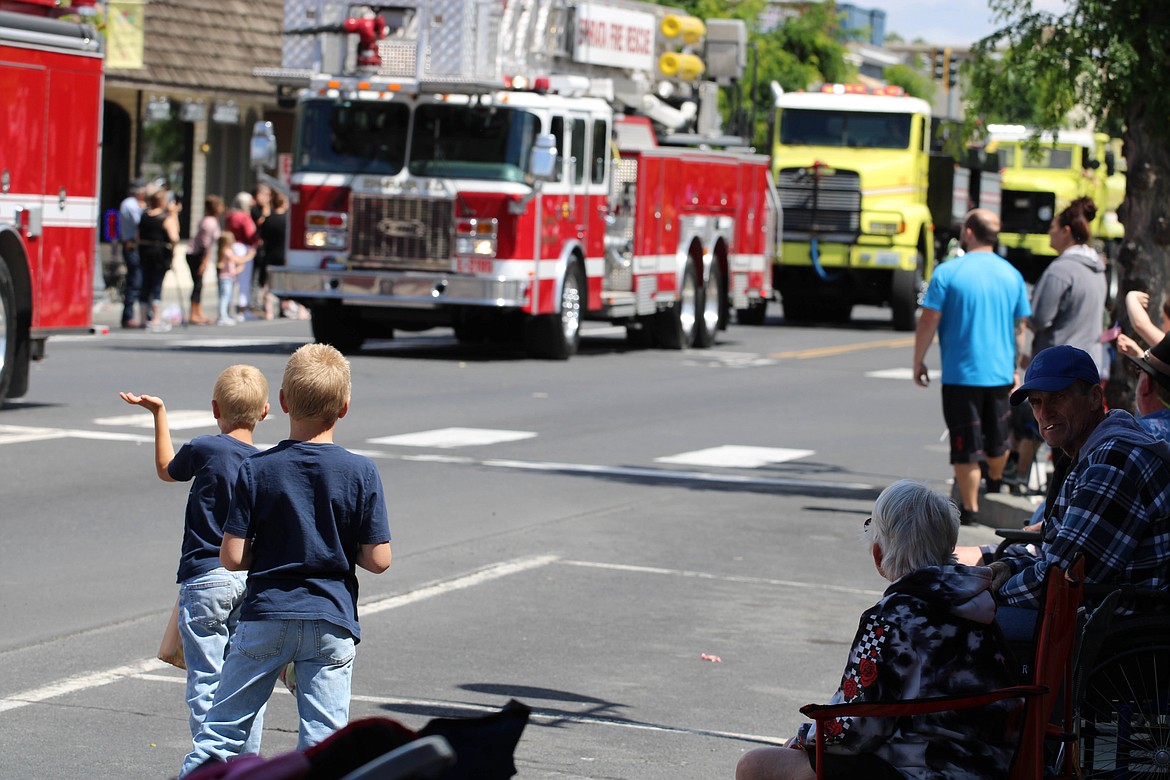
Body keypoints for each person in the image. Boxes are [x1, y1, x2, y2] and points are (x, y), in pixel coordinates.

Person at [179, 343, 392, 776]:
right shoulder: (362, 471)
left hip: (267, 614)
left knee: (221, 730)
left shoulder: (257, 469)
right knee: (325, 740)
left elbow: (233, 556)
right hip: (331, 618)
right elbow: (379, 559)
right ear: (345, 407)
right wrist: (332, 545)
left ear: (281, 402)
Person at [736, 481, 1021, 780]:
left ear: (878, 554)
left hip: (923, 770)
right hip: (992, 767)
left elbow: (855, 731)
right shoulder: (981, 607)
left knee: (756, 764)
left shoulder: (890, 619)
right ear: (950, 547)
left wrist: (801, 740)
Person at [119, 364, 271, 756]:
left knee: (206, 681)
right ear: (266, 412)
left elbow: (166, 470)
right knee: (244, 682)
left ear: (215, 409)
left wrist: (159, 414)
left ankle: (211, 762)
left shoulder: (206, 448)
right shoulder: (264, 464)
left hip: (205, 578)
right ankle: (246, 762)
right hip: (247, 580)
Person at [990, 345, 1170, 642]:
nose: (1044, 413)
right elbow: (1058, 555)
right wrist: (1006, 568)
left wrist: (989, 593)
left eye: (1057, 397)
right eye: (1036, 402)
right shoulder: (1094, 451)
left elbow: (1060, 580)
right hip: (1098, 608)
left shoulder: (1114, 462)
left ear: (1095, 398)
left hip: (1121, 623)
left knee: (969, 628)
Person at [913, 209, 1032, 525]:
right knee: (997, 441)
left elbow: (929, 319)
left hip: (961, 374)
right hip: (1000, 373)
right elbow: (1019, 327)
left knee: (964, 445)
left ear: (968, 233)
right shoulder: (1012, 274)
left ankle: (970, 509)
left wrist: (918, 360)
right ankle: (994, 479)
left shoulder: (948, 272)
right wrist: (1015, 367)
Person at [1027, 197, 1108, 376]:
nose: (1049, 232)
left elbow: (1039, 318)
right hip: (1088, 364)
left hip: (1058, 367)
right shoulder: (1097, 268)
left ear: (1066, 231)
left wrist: (1031, 307)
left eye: (1052, 227)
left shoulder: (1061, 270)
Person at [137, 189, 182, 332]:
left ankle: (143, 319)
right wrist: (174, 214)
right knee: (157, 285)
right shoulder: (165, 218)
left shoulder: (144, 216)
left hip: (145, 252)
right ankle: (155, 319)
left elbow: (137, 237)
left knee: (145, 285)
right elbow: (175, 237)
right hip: (160, 254)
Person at [186, 195, 224, 325]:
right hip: (197, 254)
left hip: (199, 254)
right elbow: (205, 245)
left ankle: (199, 312)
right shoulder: (209, 222)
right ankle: (193, 314)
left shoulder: (209, 220)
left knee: (199, 284)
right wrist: (204, 262)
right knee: (197, 284)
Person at [225, 192, 258, 320]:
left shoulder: (230, 215)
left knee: (230, 278)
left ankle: (227, 307)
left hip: (231, 246)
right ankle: (243, 309)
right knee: (244, 280)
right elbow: (250, 234)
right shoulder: (244, 217)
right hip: (243, 248)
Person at [118, 180, 146, 328]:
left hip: (132, 245)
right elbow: (138, 222)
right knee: (135, 281)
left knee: (136, 281)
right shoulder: (131, 204)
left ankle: (133, 315)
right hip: (131, 245)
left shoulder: (130, 204)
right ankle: (128, 316)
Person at [256, 189, 287, 320]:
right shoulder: (288, 220)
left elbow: (261, 236)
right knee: (284, 283)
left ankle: (268, 311)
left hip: (269, 253)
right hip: (283, 254)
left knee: (267, 284)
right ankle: (283, 308)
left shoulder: (268, 220)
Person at [215, 234, 246, 327]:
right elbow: (237, 260)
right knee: (225, 298)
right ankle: (223, 316)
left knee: (225, 297)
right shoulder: (227, 252)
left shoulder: (223, 251)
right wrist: (248, 256)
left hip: (226, 277)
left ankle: (224, 315)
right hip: (226, 278)